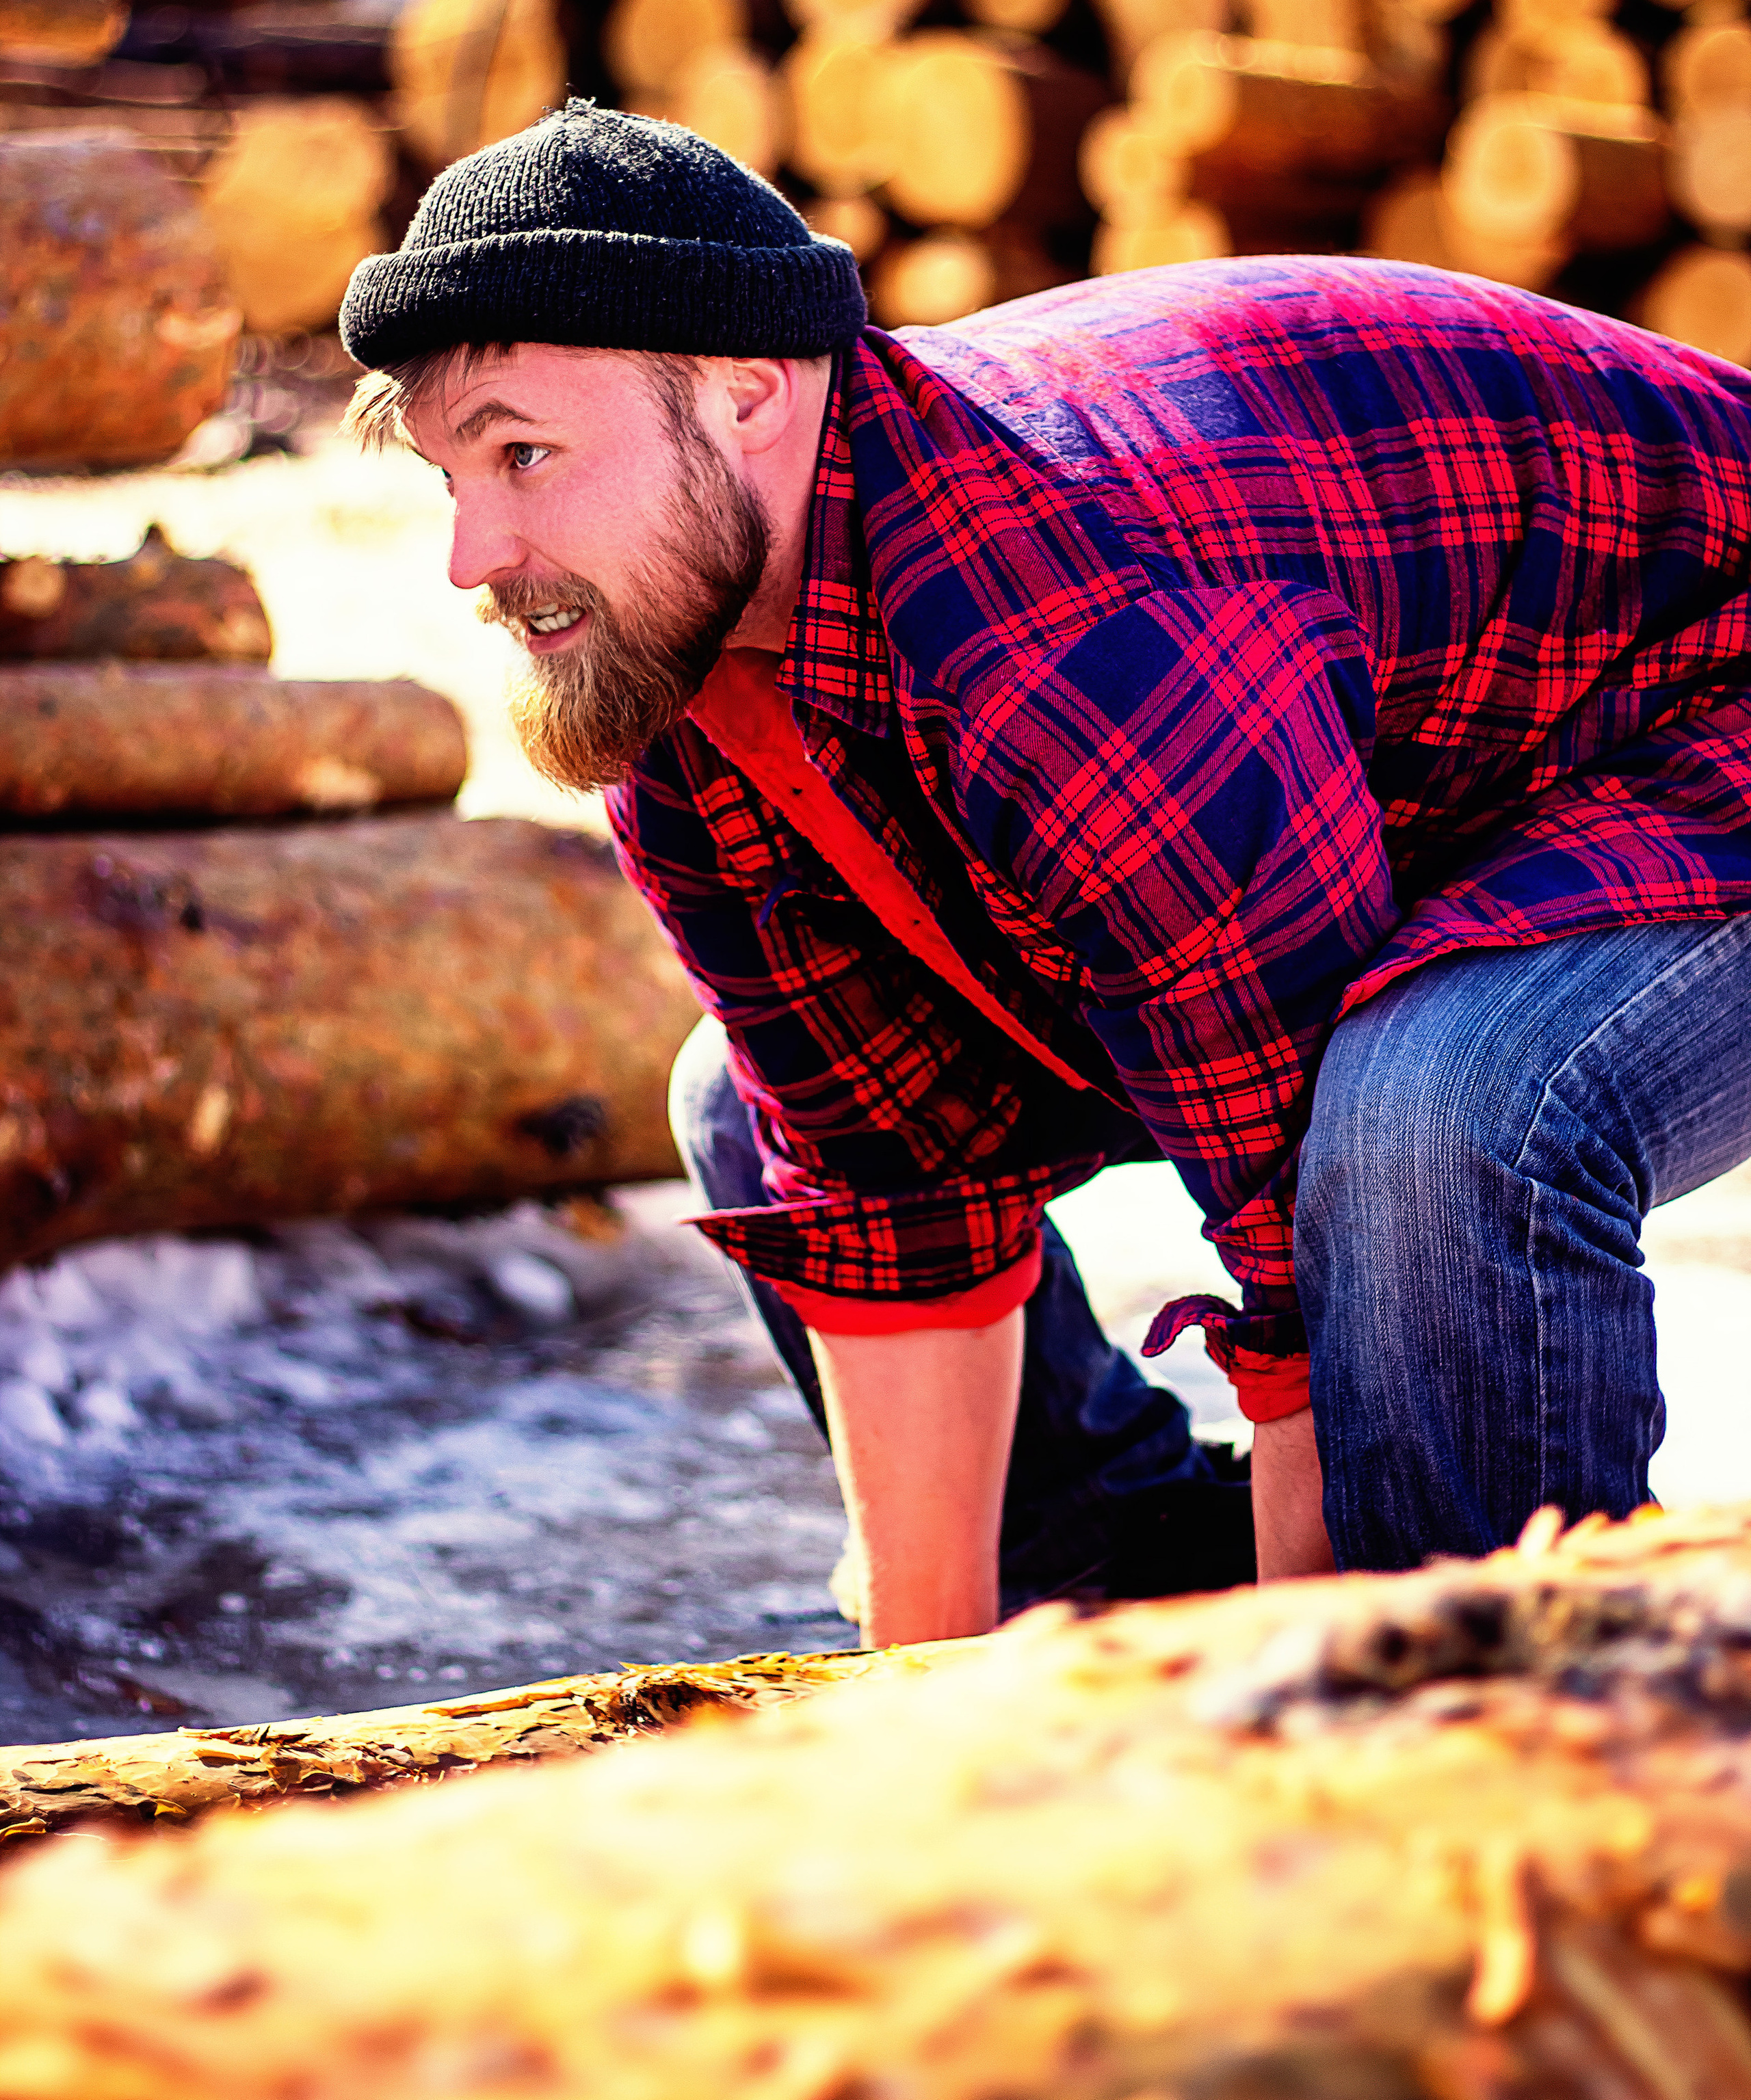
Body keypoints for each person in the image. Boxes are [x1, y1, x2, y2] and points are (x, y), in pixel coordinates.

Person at [340, 101, 1751, 1649]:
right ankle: (1112, 1609)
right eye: (451, 478)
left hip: (1701, 711)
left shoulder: (1075, 646)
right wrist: (923, 1725)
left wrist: (1308, 1748)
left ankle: (1485, 1722)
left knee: (1427, 1113)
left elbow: (1293, 1262)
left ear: (747, 395)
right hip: (1414, 775)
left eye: (523, 457)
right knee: (745, 1107)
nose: (471, 556)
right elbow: (888, 1204)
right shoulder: (671, 655)